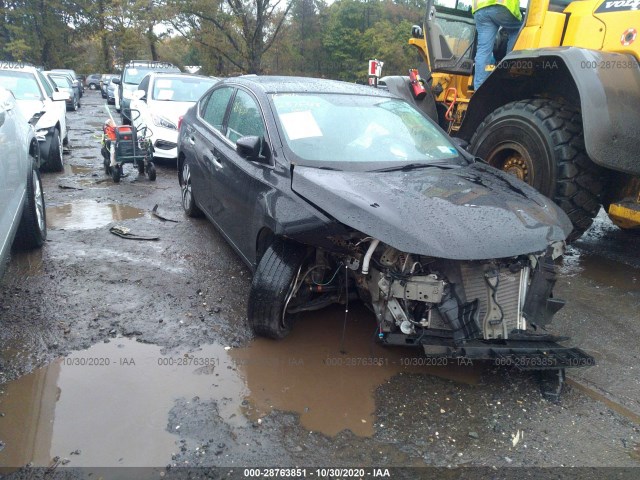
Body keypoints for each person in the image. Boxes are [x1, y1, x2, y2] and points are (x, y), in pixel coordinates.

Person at [472, 0, 523, 90]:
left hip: (479, 9)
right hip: (501, 5)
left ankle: (479, 89)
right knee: (519, 29)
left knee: (483, 50)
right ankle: (510, 67)